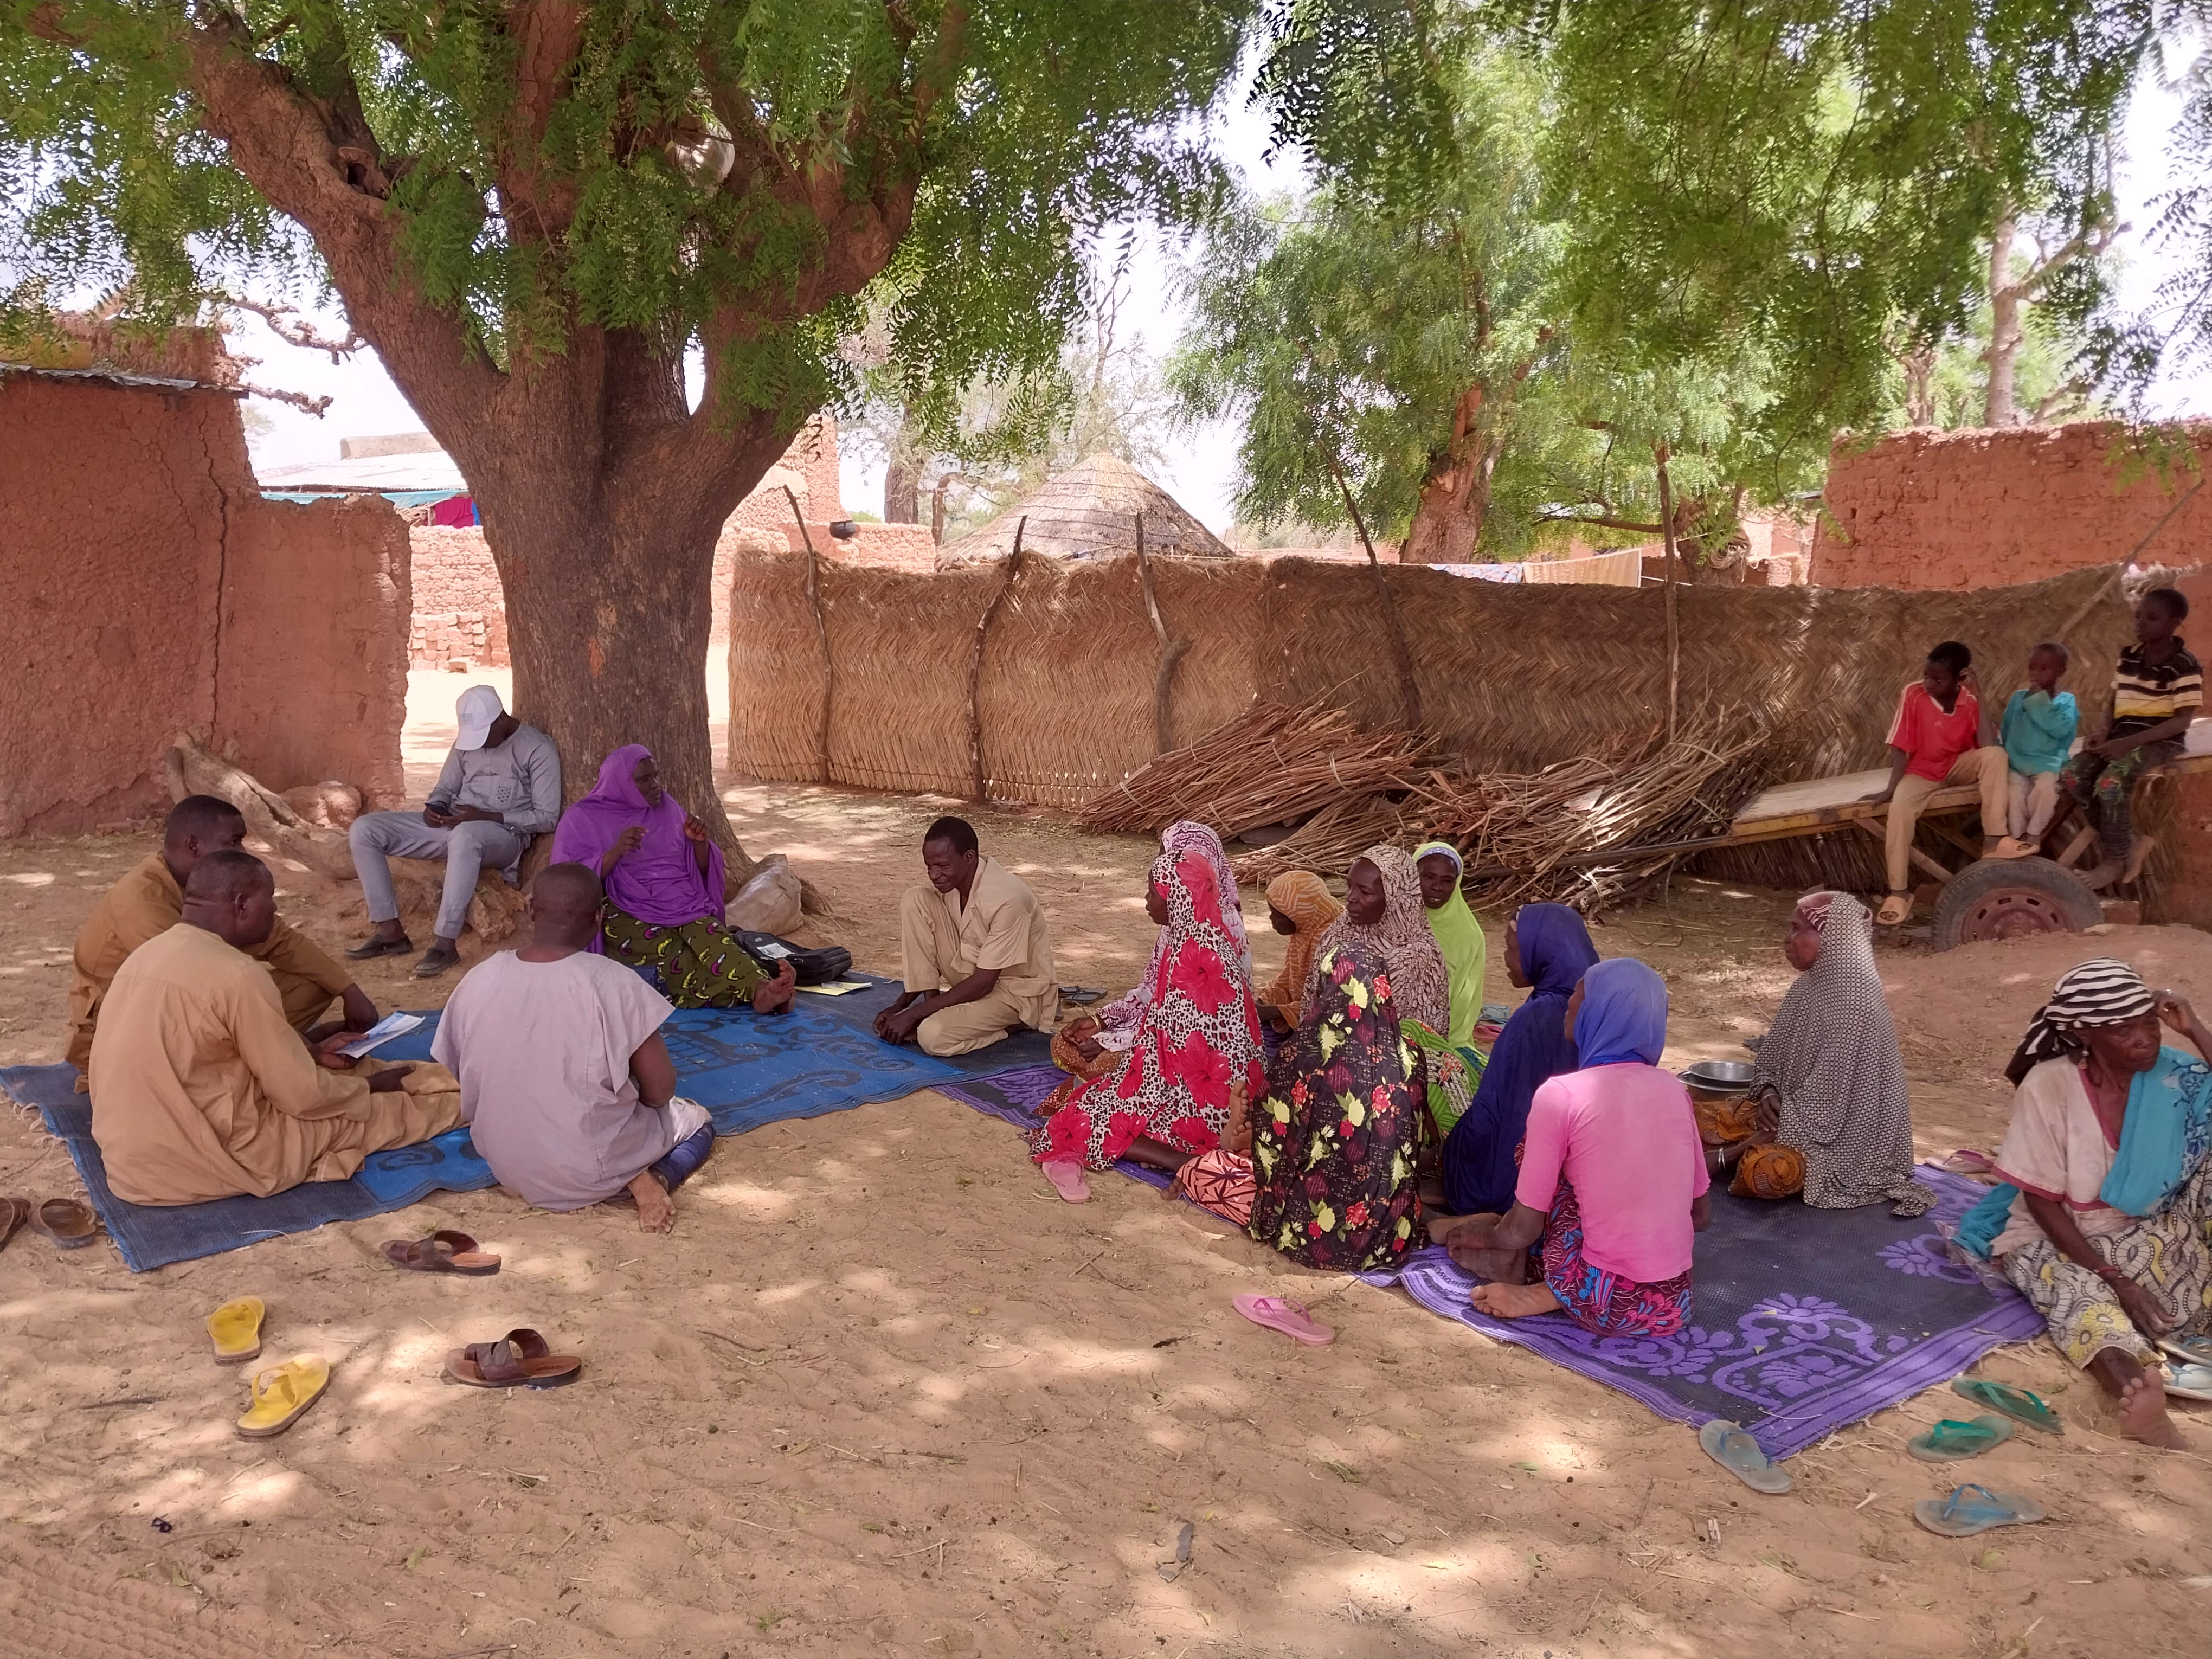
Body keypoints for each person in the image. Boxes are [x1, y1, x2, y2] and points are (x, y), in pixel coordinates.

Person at [86, 851, 458, 1205]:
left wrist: (311, 1053)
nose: (276, 910)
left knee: (344, 1070)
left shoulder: (146, 955)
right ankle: (480, 1098)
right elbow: (302, 1097)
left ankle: (452, 1080)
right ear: (242, 905)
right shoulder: (237, 974)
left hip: (128, 1167)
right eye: (272, 900)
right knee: (386, 1113)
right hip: (201, 1165)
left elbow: (208, 1053)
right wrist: (368, 1090)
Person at [1954, 959, 2212, 1449]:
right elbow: (2042, 1203)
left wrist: (2194, 1027)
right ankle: (2136, 1393)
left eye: (2149, 1023)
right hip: (2064, 1237)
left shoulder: (2174, 1077)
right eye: (2122, 1029)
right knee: (2080, 1300)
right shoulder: (2050, 1085)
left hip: (2152, 1227)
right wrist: (2115, 1280)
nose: (2145, 1039)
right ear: (2084, 1033)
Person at [433, 863, 714, 1234]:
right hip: (588, 1168)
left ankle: (622, 1166)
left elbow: (460, 1066)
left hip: (506, 1163)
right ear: (598, 918)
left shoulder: (478, 978)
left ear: (532, 909)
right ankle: (651, 1179)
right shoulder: (613, 982)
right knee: (699, 1120)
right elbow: (661, 1090)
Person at [1439, 959, 1711, 1336]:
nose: (1570, 1003)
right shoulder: (1675, 1091)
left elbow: (1523, 1230)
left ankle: (1545, 1291)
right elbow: (1699, 1216)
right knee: (1606, 1174)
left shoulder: (1561, 1095)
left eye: (1582, 996)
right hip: (1669, 1305)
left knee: (1545, 1195)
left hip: (1598, 1301)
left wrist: (1492, 1239)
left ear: (1601, 1013)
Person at [67, 794, 376, 1079]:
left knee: (314, 982)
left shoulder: (208, 884)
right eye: (234, 843)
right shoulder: (141, 903)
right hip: (128, 1033)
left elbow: (280, 940)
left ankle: (271, 1049)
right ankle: (270, 1052)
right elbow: (193, 995)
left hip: (193, 1004)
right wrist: (308, 1051)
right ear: (193, 846)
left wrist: (350, 992)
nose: (242, 853)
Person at [1029, 843, 1263, 1189]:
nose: (1147, 900)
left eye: (1153, 892)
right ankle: (1216, 1141)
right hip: (1239, 1090)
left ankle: (1186, 1161)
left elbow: (1160, 1060)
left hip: (1198, 1104)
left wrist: (1117, 1082)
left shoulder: (1185, 956)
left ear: (1175, 900)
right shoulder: (1216, 939)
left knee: (1081, 1118)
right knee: (1097, 1092)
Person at [1722, 892, 1936, 1216]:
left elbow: (1826, 1106)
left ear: (1833, 936)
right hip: (1792, 1118)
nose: (1787, 939)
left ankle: (1739, 1155)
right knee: (1699, 1119)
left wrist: (1764, 1134)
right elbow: (1771, 1059)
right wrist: (1767, 1093)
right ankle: (1741, 1150)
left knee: (1766, 1173)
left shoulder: (1855, 1003)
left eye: (1798, 929)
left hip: (1843, 1148)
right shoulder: (1806, 988)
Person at [548, 744, 795, 1013]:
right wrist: (615, 853)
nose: (655, 785)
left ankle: (760, 988)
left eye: (655, 776)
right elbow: (568, 882)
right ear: (619, 782)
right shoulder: (582, 819)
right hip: (624, 909)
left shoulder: (666, 807)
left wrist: (699, 843)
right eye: (643, 779)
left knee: (711, 935)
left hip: (680, 901)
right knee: (674, 952)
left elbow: (695, 867)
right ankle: (758, 993)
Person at [347, 685, 562, 979]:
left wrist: (484, 816)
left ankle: (445, 943)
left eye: (485, 736)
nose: (479, 744)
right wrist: (435, 807)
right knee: (365, 829)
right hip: (456, 826)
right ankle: (390, 932)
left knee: (467, 836)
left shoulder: (537, 749)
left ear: (501, 720)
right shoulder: (467, 743)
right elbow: (445, 789)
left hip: (503, 836)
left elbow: (547, 818)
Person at [1242, 940, 1423, 1270]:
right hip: (1390, 1238)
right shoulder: (1410, 1057)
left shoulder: (1303, 1060)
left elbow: (1272, 1140)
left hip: (1309, 1239)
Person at [1431, 903, 1600, 1225]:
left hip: (1518, 1178)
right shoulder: (1594, 1001)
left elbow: (1498, 1112)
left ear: (1541, 952)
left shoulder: (1536, 1019)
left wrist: (1454, 1153)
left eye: (1511, 948)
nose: (1506, 959)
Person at [1057, 822, 1249, 1080]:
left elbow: (1188, 1029)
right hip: (1156, 1032)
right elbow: (1152, 994)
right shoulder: (1179, 925)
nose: (1159, 863)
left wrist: (1117, 1042)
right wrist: (1102, 1022)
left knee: (1107, 1065)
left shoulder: (1215, 942)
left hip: (1197, 1054)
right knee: (1064, 1046)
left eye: (1166, 856)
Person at [1861, 640, 2017, 926]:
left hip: (1957, 766)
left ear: (1960, 679)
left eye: (1937, 678)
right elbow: (1900, 747)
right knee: (1899, 813)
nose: (1929, 683)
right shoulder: (1913, 694)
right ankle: (1899, 893)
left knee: (1996, 755)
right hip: (1921, 771)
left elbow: (1985, 743)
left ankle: (1995, 839)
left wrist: (1979, 694)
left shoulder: (1968, 701)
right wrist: (1891, 788)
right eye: (1926, 676)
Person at [1311, 846, 1463, 1133]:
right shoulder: (1338, 932)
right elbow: (1313, 1001)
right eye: (1349, 886)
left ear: (1395, 899)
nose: (1351, 899)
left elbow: (1416, 1042)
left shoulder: (1418, 957)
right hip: (1326, 1071)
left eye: (1365, 892)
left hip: (1386, 1091)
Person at [877, 816, 1057, 1057]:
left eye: (942, 866)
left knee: (932, 1037)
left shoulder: (1007, 899)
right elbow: (928, 944)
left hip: (1013, 994)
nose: (934, 875)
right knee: (915, 898)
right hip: (970, 975)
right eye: (929, 866)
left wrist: (915, 1015)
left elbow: (985, 982)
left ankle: (1012, 1026)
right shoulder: (954, 886)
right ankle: (933, 1004)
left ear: (969, 858)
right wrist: (900, 1007)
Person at [2065, 588, 2202, 889]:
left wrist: (2127, 743)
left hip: (2160, 741)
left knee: (2110, 784)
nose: (2141, 623)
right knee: (2073, 776)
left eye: (2152, 618)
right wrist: (2105, 732)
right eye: (2138, 616)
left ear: (2174, 623)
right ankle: (2129, 842)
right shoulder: (2129, 656)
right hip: (2121, 736)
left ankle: (2114, 860)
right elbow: (2116, 697)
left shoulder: (2184, 665)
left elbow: (2182, 720)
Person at [1999, 641, 2079, 847]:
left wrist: (2038, 702)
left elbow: (2060, 729)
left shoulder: (2066, 702)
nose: (2036, 673)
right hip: (2017, 762)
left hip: (2048, 763)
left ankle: (2033, 834)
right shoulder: (2018, 699)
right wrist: (2008, 754)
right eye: (2032, 667)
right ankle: (2016, 839)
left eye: (2044, 668)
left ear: (2061, 671)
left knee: (2046, 791)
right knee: (2013, 795)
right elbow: (2007, 727)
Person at [1414, 841, 1488, 1049]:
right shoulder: (1389, 921)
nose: (1437, 887)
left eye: (1447, 880)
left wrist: (1444, 1048)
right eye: (1428, 877)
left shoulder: (1469, 937)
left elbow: (1466, 1003)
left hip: (1441, 1040)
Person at [1252, 869, 1342, 1038]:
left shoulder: (1332, 941)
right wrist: (1263, 1002)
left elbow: (1330, 1003)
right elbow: (1287, 979)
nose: (1272, 919)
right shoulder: (1306, 929)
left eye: (1277, 915)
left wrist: (1274, 1012)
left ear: (1298, 914)